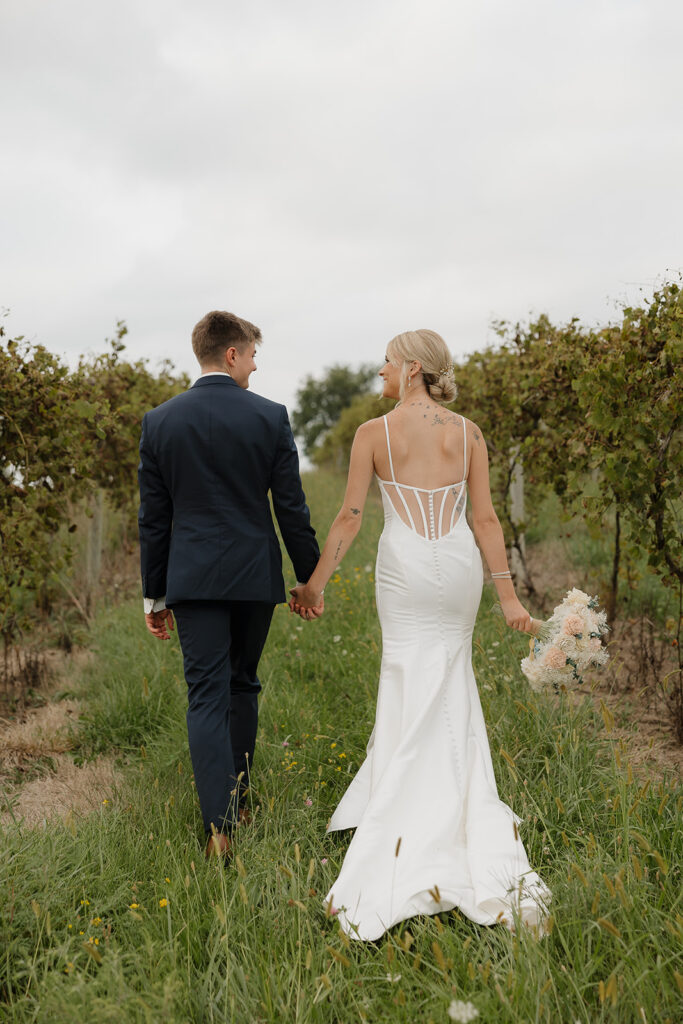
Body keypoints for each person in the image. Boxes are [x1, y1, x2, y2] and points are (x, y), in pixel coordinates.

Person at [289, 329, 551, 940]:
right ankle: (454, 799)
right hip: (457, 563)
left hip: (404, 565)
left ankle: (402, 804)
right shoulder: (468, 433)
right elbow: (484, 518)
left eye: (385, 361)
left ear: (411, 369)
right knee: (452, 671)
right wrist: (508, 597)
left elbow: (351, 516)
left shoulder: (373, 435)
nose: (379, 371)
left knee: (405, 668)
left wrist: (315, 586)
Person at [138, 310, 321, 859]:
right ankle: (240, 802)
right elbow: (291, 506)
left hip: (190, 579)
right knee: (242, 684)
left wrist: (155, 593)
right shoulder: (269, 417)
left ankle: (220, 828)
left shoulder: (160, 422)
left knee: (206, 695)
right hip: (252, 576)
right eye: (253, 355)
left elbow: (153, 518)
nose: (256, 366)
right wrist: (309, 578)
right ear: (232, 354)